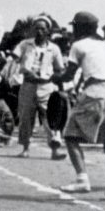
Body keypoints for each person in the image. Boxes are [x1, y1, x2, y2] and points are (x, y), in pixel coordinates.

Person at [51, 11, 105, 202]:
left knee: (70, 135)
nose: (73, 30)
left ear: (81, 28)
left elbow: (68, 75)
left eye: (75, 26)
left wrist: (53, 77)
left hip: (95, 91)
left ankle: (82, 178)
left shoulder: (78, 45)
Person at [13, 16, 67, 159]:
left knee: (50, 118)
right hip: (28, 85)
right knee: (26, 118)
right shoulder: (25, 44)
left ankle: (54, 150)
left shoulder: (54, 49)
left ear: (48, 31)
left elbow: (59, 69)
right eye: (36, 28)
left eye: (43, 28)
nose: (39, 31)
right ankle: (25, 148)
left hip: (46, 86)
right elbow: (15, 57)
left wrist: (61, 88)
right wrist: (22, 68)